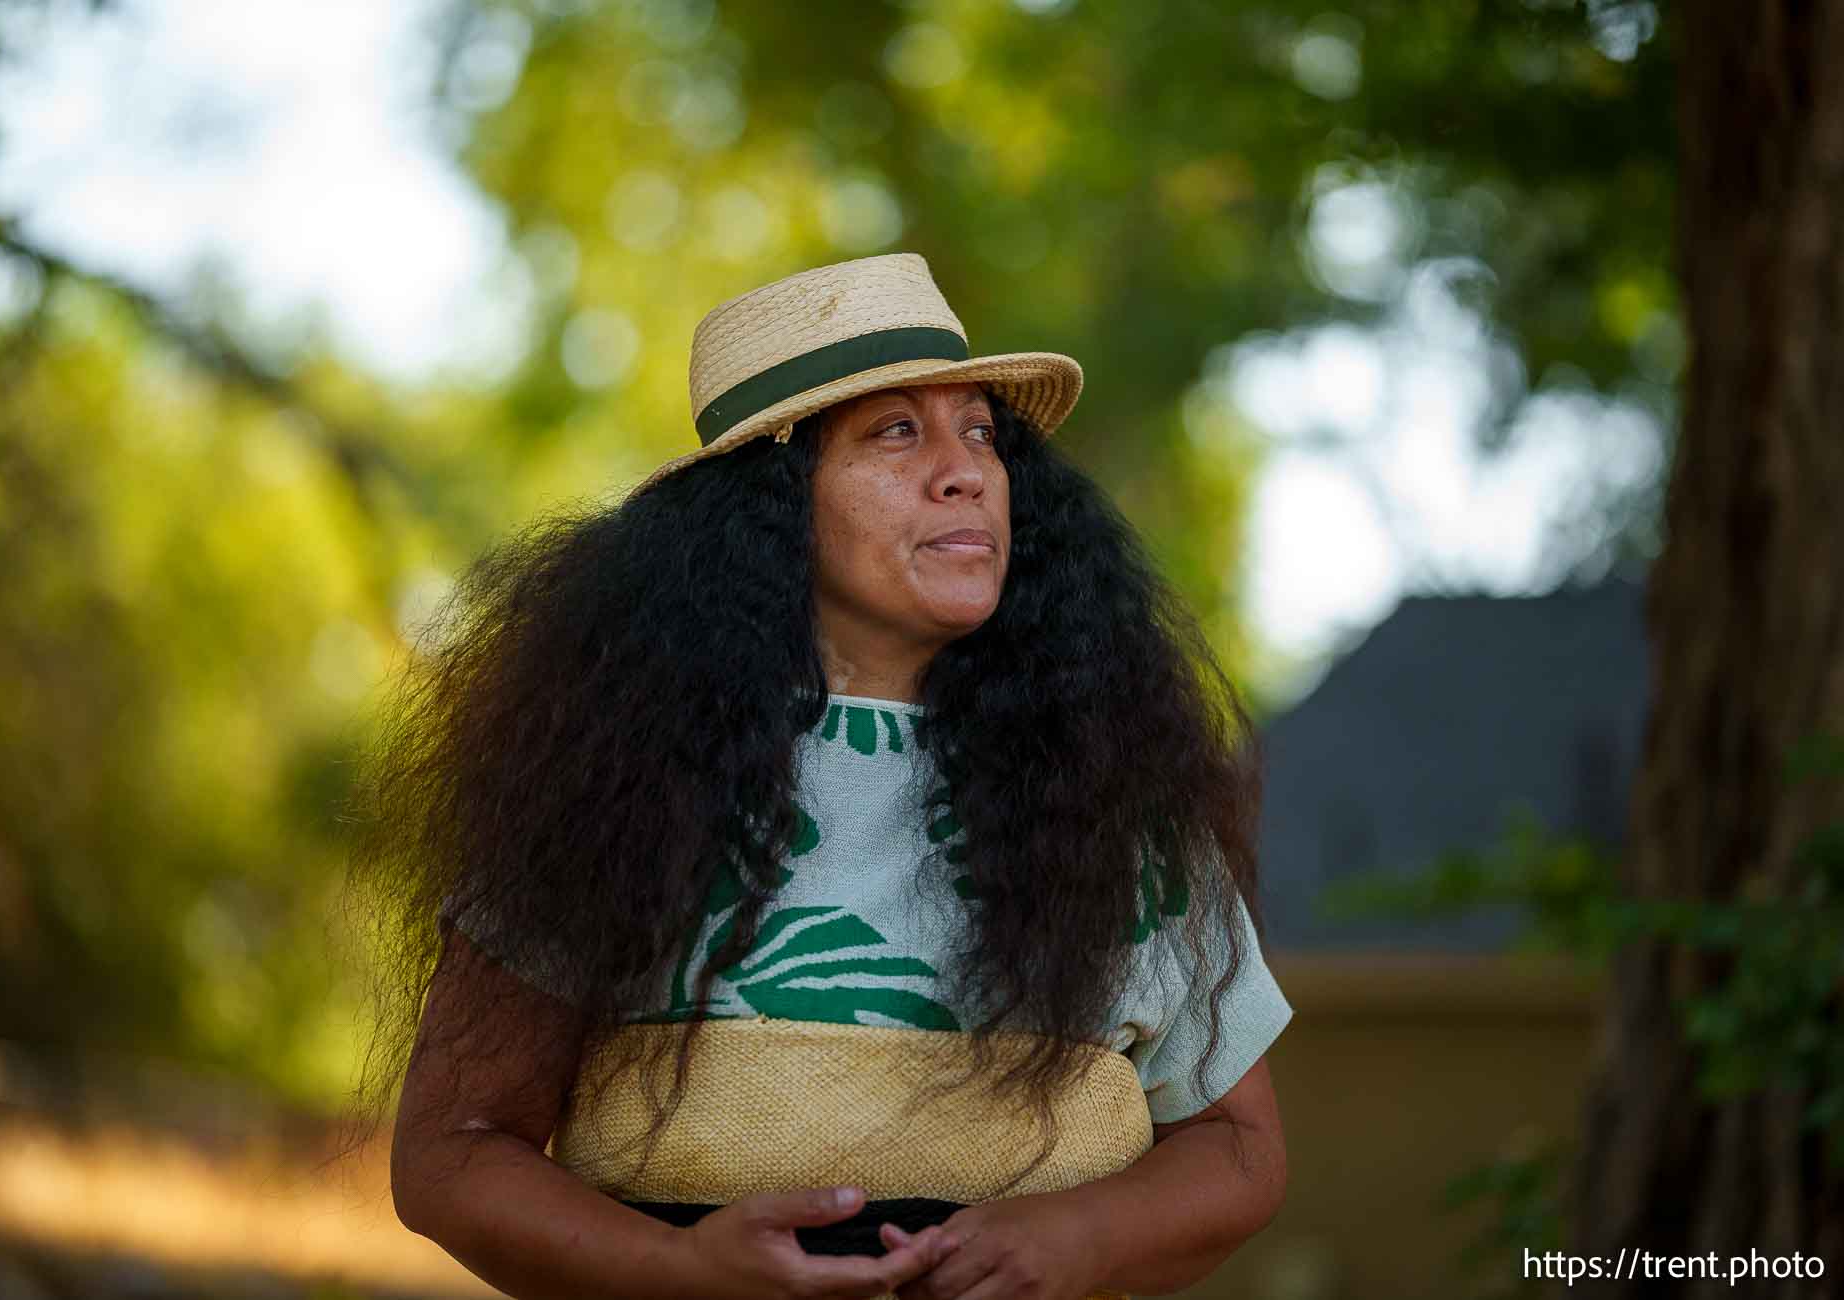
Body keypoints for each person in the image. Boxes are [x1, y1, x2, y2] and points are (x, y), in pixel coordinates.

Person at [340, 252, 1293, 1300]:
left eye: (980, 430)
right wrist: (675, 1271)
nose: (965, 468)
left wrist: (1080, 1238)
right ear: (771, 507)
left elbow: (1240, 1146)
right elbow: (453, 1150)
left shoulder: (1118, 794)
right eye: (896, 431)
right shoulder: (614, 786)